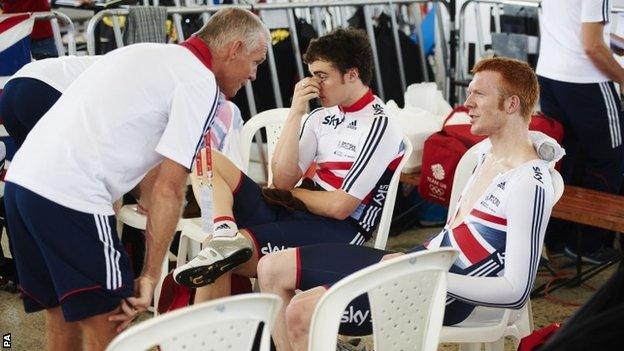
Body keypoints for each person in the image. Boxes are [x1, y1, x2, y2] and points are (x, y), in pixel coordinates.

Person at [4, 8, 269, 351]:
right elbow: (168, 189)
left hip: (21, 183)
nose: (253, 75)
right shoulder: (200, 81)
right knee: (121, 333)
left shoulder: (147, 52)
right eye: (255, 61)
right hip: (70, 194)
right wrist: (149, 275)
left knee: (62, 319)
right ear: (233, 49)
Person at [256, 57, 562, 351]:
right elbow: (530, 136)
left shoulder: (528, 183)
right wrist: (415, 266)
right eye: (469, 93)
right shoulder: (488, 151)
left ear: (511, 104)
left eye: (479, 94)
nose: (467, 104)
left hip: (444, 287)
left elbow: (516, 291)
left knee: (303, 312)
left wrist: (432, 275)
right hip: (421, 262)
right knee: (272, 267)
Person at [172, 28, 404, 306]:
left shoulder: (381, 125)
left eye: (323, 76)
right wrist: (295, 112)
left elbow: (339, 207)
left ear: (352, 75)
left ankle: (216, 335)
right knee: (207, 158)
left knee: (221, 257)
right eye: (312, 75)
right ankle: (224, 232)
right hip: (294, 210)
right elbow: (281, 181)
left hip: (336, 229)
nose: (315, 86)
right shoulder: (320, 116)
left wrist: (291, 196)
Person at [537, 0, 624, 263]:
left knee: (568, 159)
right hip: (587, 80)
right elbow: (592, 45)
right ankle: (589, 244)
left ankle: (557, 237)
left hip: (551, 76)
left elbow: (577, 32)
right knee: (612, 160)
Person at [0, 55, 99, 147]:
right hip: (40, 89)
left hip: (9, 91)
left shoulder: (102, 62)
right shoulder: (111, 69)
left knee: (30, 161)